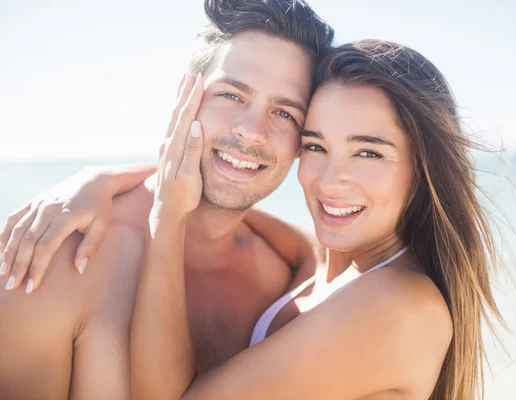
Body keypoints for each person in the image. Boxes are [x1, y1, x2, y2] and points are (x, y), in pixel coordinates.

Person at [1, 39, 507, 400]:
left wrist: (167, 216)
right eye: (315, 145)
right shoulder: (319, 262)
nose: (331, 181)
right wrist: (100, 180)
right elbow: (229, 213)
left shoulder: (399, 304)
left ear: (424, 170)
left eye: (368, 153)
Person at [0, 1, 334, 398]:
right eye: (231, 95)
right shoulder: (50, 258)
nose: (252, 131)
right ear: (185, 97)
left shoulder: (290, 276)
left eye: (284, 114)